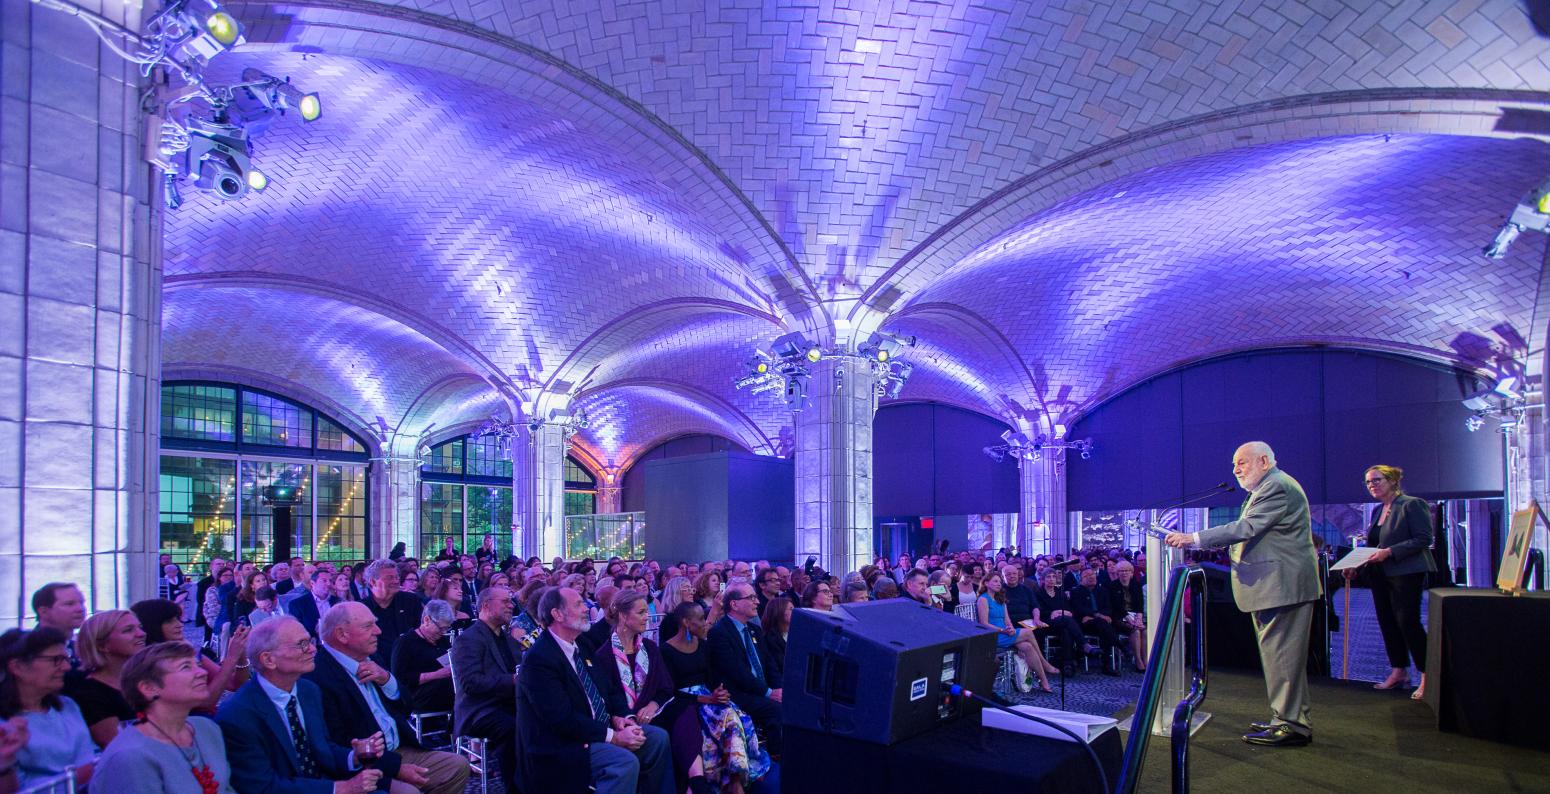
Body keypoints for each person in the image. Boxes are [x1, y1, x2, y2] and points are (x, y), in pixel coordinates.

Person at [1165, 441, 1322, 748]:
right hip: (1275, 586)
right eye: (1234, 464)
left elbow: (1247, 528)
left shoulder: (1276, 486)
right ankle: (1287, 717)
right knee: (1280, 658)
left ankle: (1292, 724)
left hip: (1282, 586)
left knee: (1283, 659)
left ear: (1264, 461)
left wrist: (1192, 538)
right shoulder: (1269, 486)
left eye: (1242, 463)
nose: (1236, 470)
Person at [515, 587, 674, 794]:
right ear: (557, 614)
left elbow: (609, 690)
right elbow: (560, 719)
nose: (586, 609)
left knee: (657, 739)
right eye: (578, 604)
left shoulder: (582, 644)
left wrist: (624, 717)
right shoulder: (539, 660)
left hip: (597, 727)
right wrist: (613, 737)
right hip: (564, 743)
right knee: (622, 763)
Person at [306, 603, 470, 794]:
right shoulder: (320, 676)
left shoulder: (369, 656)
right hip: (365, 763)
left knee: (457, 766)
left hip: (399, 748)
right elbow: (337, 744)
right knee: (409, 792)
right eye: (368, 626)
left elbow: (406, 705)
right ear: (342, 635)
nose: (378, 631)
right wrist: (396, 768)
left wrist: (386, 679)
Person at [215, 617, 384, 794]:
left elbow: (321, 749)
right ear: (269, 660)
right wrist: (339, 789)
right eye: (302, 644)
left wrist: (353, 757)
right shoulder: (237, 716)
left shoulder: (308, 691)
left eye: (310, 641)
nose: (312, 649)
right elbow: (262, 787)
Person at [92, 642, 237, 794]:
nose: (202, 672)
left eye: (198, 664)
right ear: (149, 688)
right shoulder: (131, 757)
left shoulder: (206, 728)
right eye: (186, 667)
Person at [659, 602, 769, 792]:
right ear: (686, 622)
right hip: (683, 703)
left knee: (735, 718)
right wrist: (707, 699)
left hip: (709, 697)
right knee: (713, 725)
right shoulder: (666, 651)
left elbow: (713, 679)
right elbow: (670, 690)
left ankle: (735, 781)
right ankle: (714, 783)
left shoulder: (703, 645)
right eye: (701, 619)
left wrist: (719, 692)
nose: (705, 623)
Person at [1353, 464, 1436, 700]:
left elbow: (1424, 539)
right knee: (1387, 622)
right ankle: (1399, 671)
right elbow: (1373, 544)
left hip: (1406, 573)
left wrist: (1390, 551)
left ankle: (1427, 676)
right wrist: (1354, 566)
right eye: (1368, 482)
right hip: (1381, 574)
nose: (1372, 485)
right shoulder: (1378, 510)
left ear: (1392, 480)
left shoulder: (1411, 504)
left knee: (1408, 622)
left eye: (1376, 480)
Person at [0, 628, 95, 789]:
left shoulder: (66, 706)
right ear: (17, 667)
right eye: (56, 660)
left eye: (67, 658)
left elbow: (89, 760)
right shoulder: (5, 725)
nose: (66, 667)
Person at [450, 586, 522, 794]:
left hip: (509, 703)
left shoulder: (509, 639)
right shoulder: (469, 639)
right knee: (513, 728)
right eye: (506, 602)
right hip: (480, 709)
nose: (511, 605)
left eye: (511, 601)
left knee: (545, 718)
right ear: (486, 606)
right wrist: (513, 681)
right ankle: (516, 788)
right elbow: (471, 683)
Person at [131, 599, 250, 716]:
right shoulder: (148, 662)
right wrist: (231, 658)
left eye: (177, 619)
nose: (179, 625)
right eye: (170, 621)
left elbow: (235, 684)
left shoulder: (189, 651)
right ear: (152, 625)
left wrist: (241, 654)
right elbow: (204, 704)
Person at [706, 583, 783, 756]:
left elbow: (770, 664)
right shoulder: (720, 633)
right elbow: (737, 672)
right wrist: (769, 692)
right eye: (751, 598)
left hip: (761, 689)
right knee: (776, 709)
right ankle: (776, 757)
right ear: (734, 604)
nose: (757, 602)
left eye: (756, 597)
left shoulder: (755, 630)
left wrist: (778, 688)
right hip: (737, 694)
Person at [65, 610, 145, 748]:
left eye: (140, 627)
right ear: (102, 645)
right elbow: (116, 744)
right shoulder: (89, 693)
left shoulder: (146, 679)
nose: (141, 634)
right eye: (128, 630)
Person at [976, 572, 1053, 694]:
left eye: (1000, 582)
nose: (999, 584)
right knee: (1028, 633)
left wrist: (1010, 628)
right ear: (986, 583)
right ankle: (1044, 663)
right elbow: (984, 624)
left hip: (1006, 633)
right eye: (995, 581)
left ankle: (1044, 681)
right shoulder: (983, 599)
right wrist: (1003, 630)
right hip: (993, 635)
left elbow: (1007, 620)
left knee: (1028, 646)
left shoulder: (1000, 598)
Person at [391, 601, 455, 716]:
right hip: (418, 694)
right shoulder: (405, 643)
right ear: (426, 620)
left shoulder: (442, 641)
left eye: (447, 628)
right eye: (441, 628)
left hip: (442, 690)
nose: (444, 632)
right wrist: (436, 674)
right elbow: (400, 677)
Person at [359, 560, 424, 667]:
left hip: (412, 664)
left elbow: (421, 633)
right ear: (373, 582)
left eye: (397, 577)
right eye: (389, 577)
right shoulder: (362, 609)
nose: (396, 581)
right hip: (376, 667)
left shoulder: (411, 601)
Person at [1033, 569, 1090, 677]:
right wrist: (1054, 612)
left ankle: (1067, 665)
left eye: (1053, 577)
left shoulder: (1061, 593)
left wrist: (1059, 612)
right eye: (1048, 577)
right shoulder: (1038, 593)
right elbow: (1040, 611)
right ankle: (1083, 644)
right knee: (1066, 620)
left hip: (1062, 623)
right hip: (1045, 624)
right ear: (1043, 580)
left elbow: (1069, 610)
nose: (1051, 579)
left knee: (1066, 630)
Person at [1069, 568, 1122, 676]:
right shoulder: (1076, 592)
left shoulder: (1103, 591)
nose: (1091, 577)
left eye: (1093, 574)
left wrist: (1097, 616)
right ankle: (1116, 650)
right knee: (1103, 625)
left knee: (1103, 627)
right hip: (1084, 624)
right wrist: (1097, 615)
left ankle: (1106, 662)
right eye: (1087, 575)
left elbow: (1108, 608)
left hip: (1100, 623)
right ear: (1081, 579)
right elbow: (1079, 609)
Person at [32, 584, 87, 668]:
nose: (80, 609)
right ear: (44, 612)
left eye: (82, 603)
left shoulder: (83, 648)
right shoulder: (29, 651)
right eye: (69, 604)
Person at [1108, 560, 1147, 672]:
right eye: (1121, 571)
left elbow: (1140, 603)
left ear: (1131, 572)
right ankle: (1138, 661)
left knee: (1144, 631)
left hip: (1135, 615)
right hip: (1119, 617)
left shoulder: (1136, 585)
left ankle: (1146, 659)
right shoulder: (1113, 586)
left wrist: (1139, 617)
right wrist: (1129, 618)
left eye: (1126, 571)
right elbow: (1116, 606)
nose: (1124, 573)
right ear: (1117, 573)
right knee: (1135, 631)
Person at [288, 569, 341, 638]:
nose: (328, 584)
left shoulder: (337, 602)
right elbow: (294, 631)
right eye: (324, 581)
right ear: (312, 583)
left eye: (330, 581)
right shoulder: (298, 604)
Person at [760, 597, 792, 687]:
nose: (795, 612)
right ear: (779, 612)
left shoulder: (795, 633)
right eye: (791, 609)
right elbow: (777, 668)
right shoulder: (769, 639)